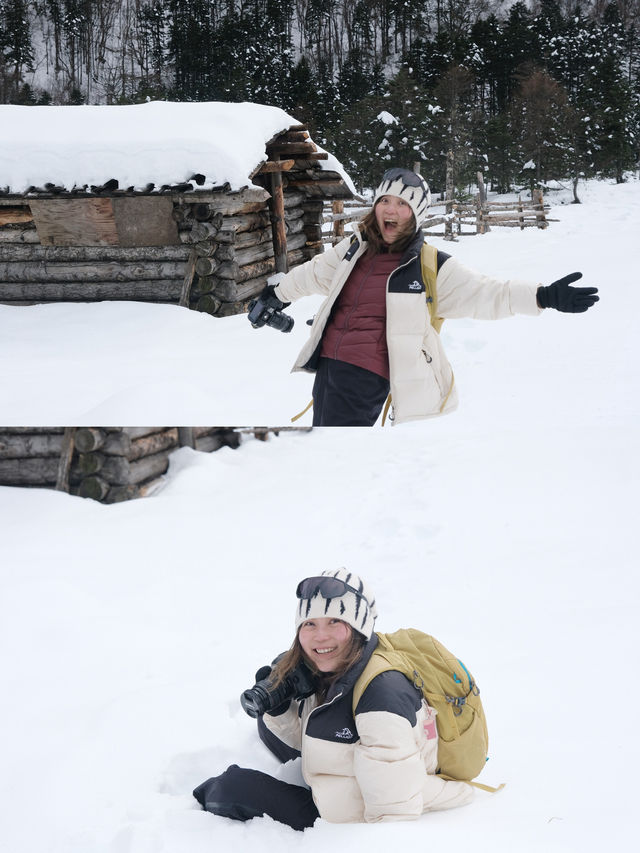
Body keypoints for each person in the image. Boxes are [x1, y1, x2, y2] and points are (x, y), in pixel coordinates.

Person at [248, 167, 599, 426]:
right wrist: (277, 293)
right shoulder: (354, 248)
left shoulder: (428, 266)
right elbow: (315, 273)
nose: (389, 209)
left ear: (416, 216)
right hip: (328, 366)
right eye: (384, 200)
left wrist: (543, 296)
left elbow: (488, 293)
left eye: (402, 204)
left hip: (366, 375)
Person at [193, 569, 474, 830]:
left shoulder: (381, 697)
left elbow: (392, 818)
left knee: (231, 788)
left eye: (335, 621)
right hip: (363, 773)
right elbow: (323, 733)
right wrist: (280, 706)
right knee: (266, 723)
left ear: (359, 628)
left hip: (349, 815)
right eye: (310, 624)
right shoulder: (335, 667)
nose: (320, 636)